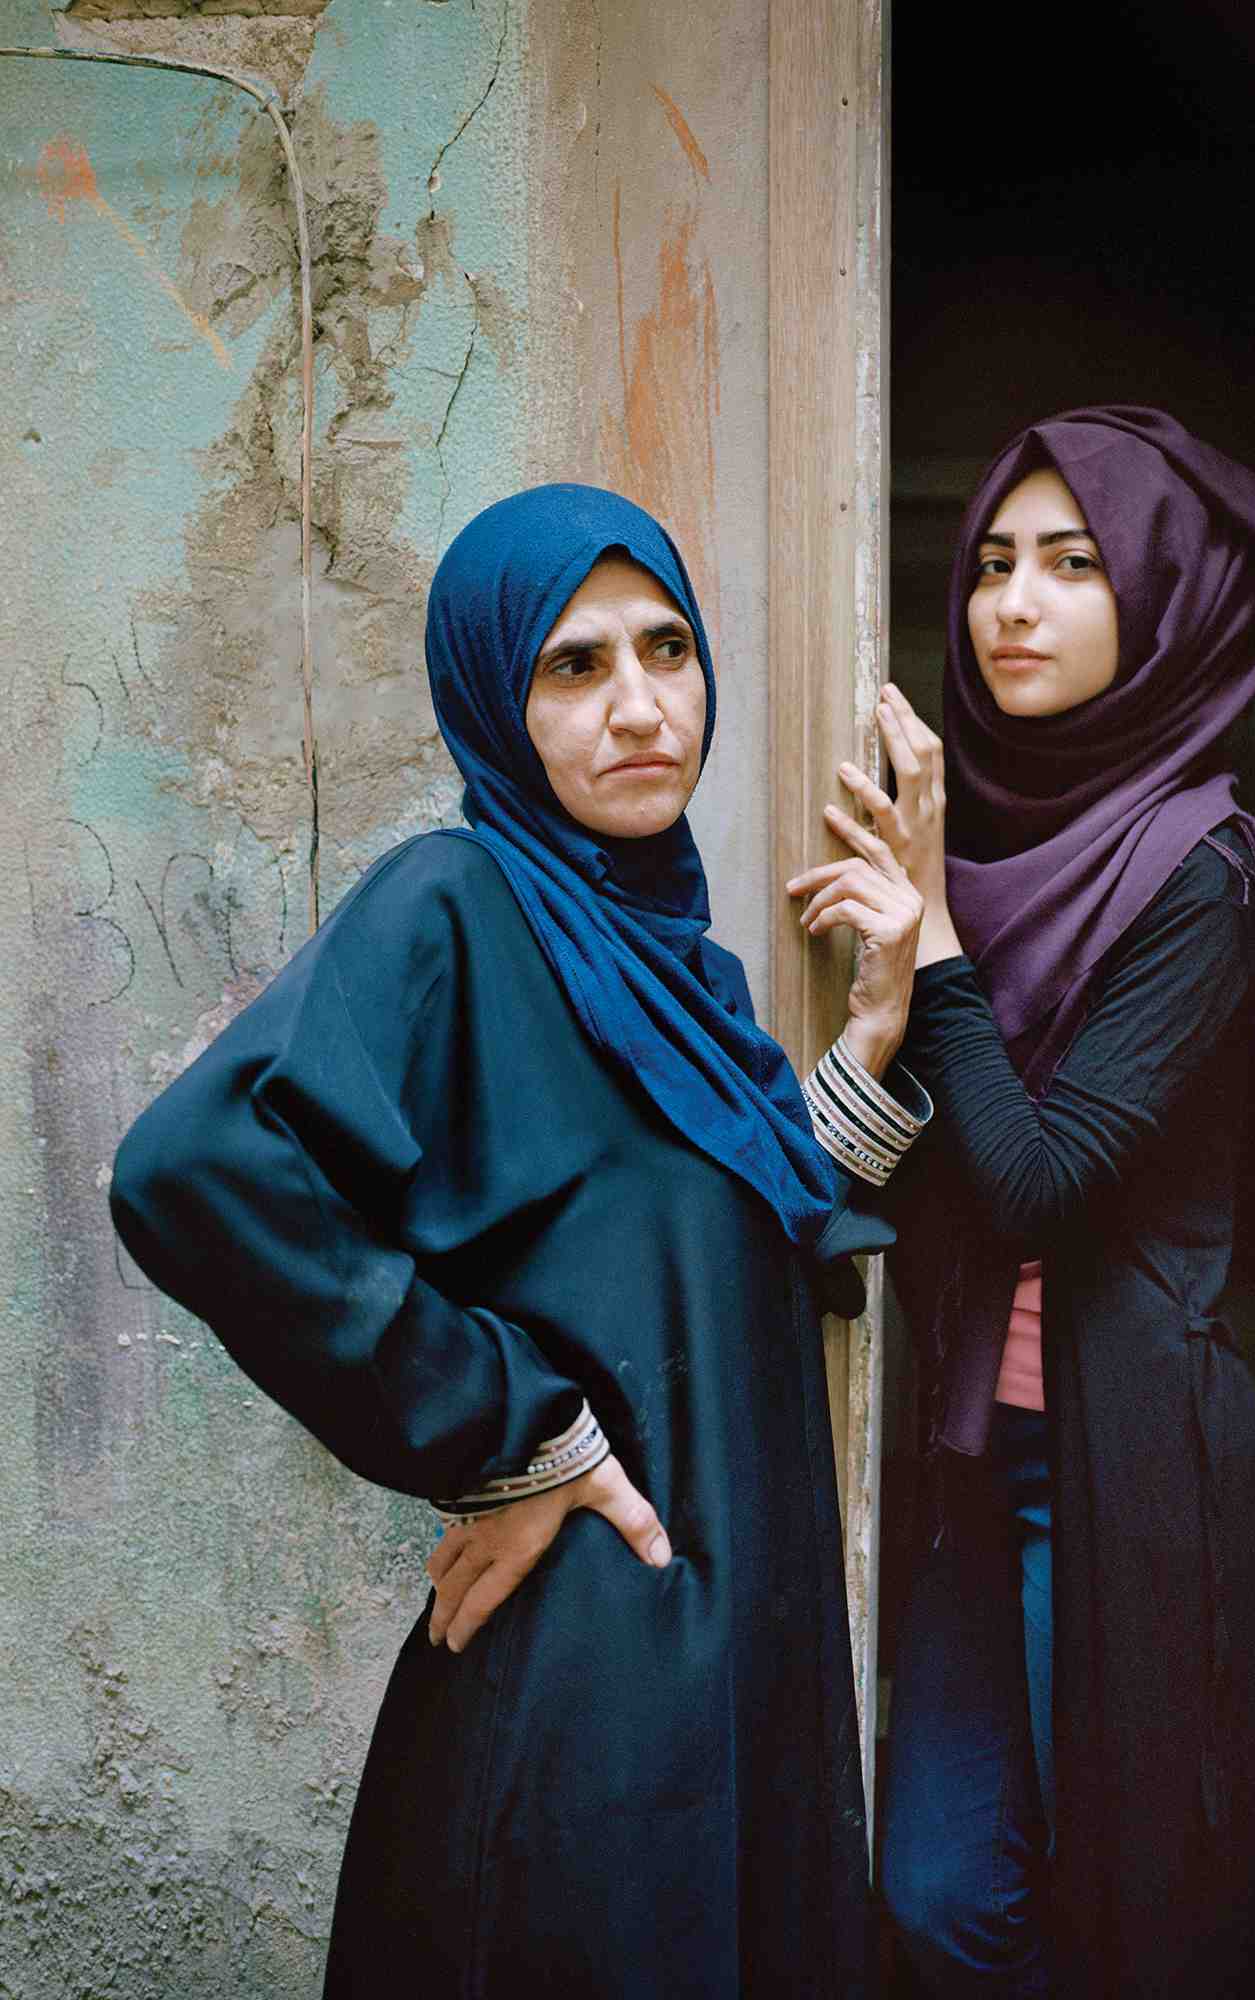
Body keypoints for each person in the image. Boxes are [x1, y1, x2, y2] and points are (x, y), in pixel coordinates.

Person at [109, 484, 929, 1997]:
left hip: (736, 1647)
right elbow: (190, 1169)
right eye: (574, 667)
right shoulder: (456, 906)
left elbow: (722, 1248)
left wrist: (874, 1037)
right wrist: (510, 1426)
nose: (638, 706)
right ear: (496, 696)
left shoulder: (681, 970)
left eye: (666, 651)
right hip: (598, 1666)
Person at [792, 407, 1255, 1996]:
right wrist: (884, 1014)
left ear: (1160, 599)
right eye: (995, 564)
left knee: (1126, 1909)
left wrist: (937, 940)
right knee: (942, 1901)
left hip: (1126, 1464)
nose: (1013, 603)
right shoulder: (992, 846)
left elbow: (1029, 1175)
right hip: (965, 1453)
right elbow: (911, 1161)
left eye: (1073, 567)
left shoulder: (1205, 873)